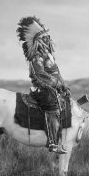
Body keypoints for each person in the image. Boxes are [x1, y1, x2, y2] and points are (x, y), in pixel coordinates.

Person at [17, 16, 70, 154]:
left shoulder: (49, 55)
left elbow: (55, 72)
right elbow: (40, 75)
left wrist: (63, 84)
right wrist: (57, 83)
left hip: (53, 88)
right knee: (53, 108)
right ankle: (53, 143)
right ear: (38, 41)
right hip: (42, 89)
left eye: (48, 36)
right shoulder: (36, 57)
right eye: (44, 37)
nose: (48, 39)